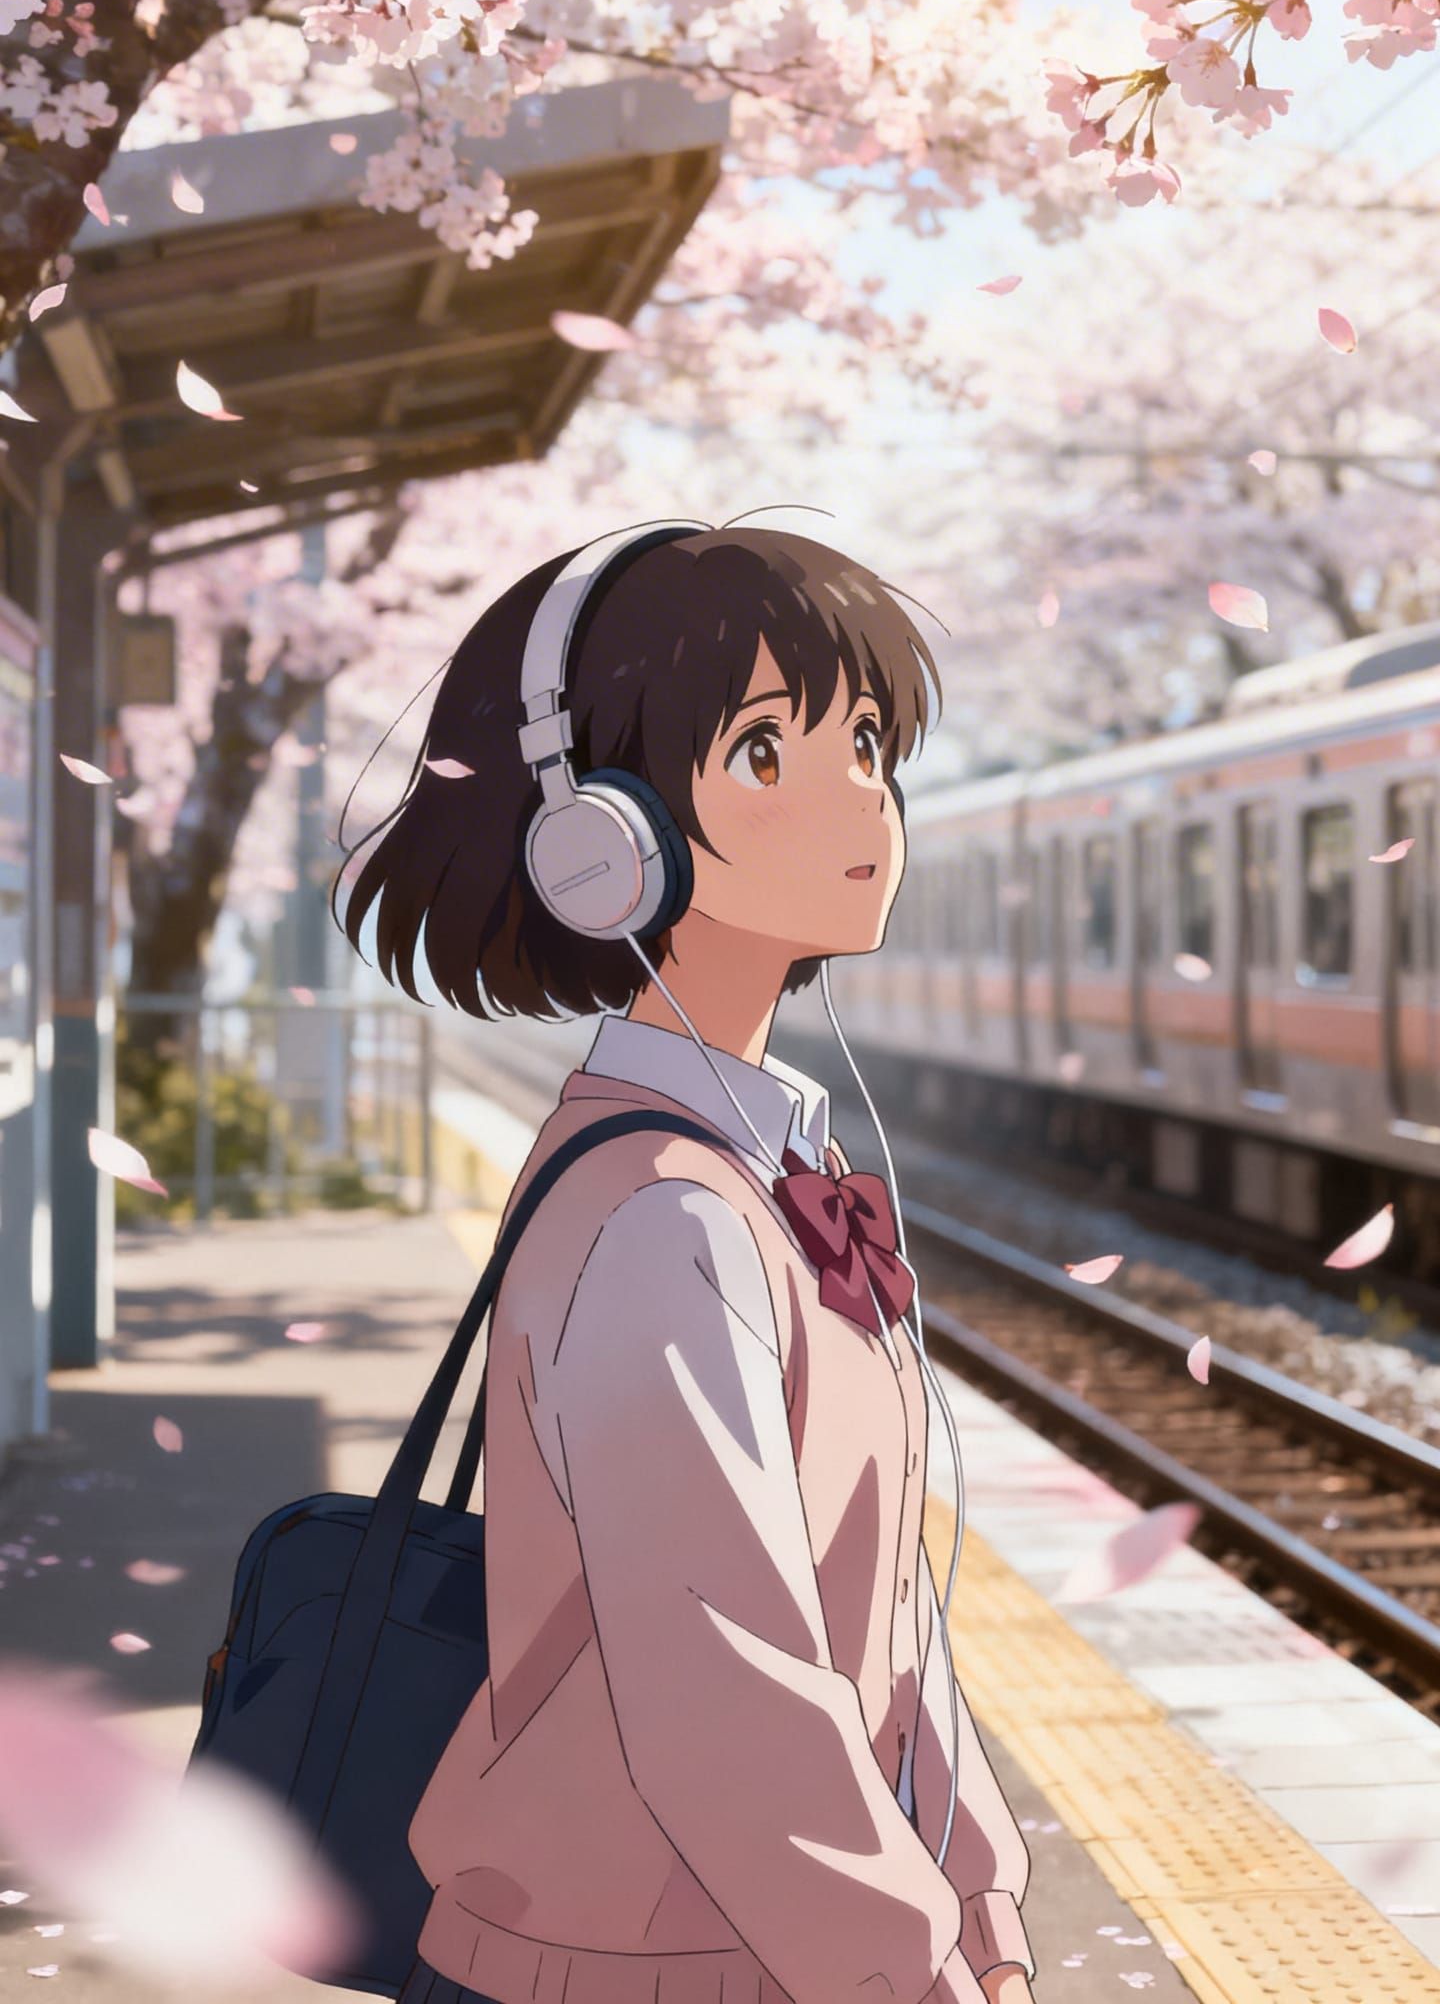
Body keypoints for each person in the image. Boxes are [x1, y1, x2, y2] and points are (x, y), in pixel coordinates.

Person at [338, 520, 1036, 2004]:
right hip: (659, 1959)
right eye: (770, 755)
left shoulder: (754, 1176)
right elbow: (723, 1685)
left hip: (755, 1944)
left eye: (868, 741)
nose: (864, 798)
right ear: (600, 841)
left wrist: (979, 1898)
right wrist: (915, 1967)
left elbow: (884, 1616)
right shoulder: (669, 1218)